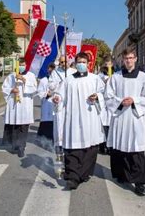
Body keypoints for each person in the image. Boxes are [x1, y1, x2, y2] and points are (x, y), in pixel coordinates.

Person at [106, 47, 145, 196]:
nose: (128, 60)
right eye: (126, 58)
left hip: (135, 117)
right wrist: (121, 102)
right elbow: (108, 96)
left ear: (136, 59)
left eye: (131, 58)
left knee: (136, 149)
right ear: (123, 60)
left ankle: (139, 182)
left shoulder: (143, 77)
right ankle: (122, 175)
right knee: (119, 147)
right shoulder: (115, 77)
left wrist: (134, 100)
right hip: (120, 116)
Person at [53, 52, 106, 190]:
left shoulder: (95, 79)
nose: (81, 64)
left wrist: (98, 96)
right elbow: (59, 95)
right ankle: (73, 177)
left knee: (90, 148)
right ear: (75, 64)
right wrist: (57, 98)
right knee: (73, 147)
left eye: (84, 62)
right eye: (79, 62)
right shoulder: (68, 80)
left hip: (90, 118)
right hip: (74, 118)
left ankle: (83, 173)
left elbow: (105, 94)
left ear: (88, 63)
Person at [1, 58, 37, 157]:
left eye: (23, 65)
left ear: (26, 65)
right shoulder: (11, 76)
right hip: (14, 105)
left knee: (24, 126)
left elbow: (34, 89)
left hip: (25, 104)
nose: (21, 67)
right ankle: (15, 145)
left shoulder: (31, 75)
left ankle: (22, 147)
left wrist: (24, 81)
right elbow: (4, 88)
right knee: (15, 126)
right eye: (19, 65)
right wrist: (12, 90)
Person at [36, 63, 59, 141]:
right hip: (46, 103)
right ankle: (44, 138)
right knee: (46, 120)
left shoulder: (58, 80)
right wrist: (46, 94)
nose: (51, 70)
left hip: (56, 104)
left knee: (55, 121)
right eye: (50, 68)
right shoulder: (43, 80)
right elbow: (39, 92)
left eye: (53, 68)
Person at [98, 56, 114, 155]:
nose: (108, 64)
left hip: (112, 103)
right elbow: (98, 88)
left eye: (110, 63)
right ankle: (103, 146)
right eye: (106, 63)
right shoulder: (100, 75)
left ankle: (111, 146)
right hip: (103, 103)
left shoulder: (116, 74)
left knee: (112, 125)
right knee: (104, 126)